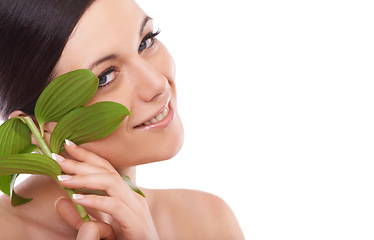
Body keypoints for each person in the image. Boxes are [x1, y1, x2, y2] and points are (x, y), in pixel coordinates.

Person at [0, 0, 244, 239]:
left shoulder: (208, 220)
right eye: (105, 77)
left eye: (146, 41)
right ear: (32, 127)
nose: (157, 84)